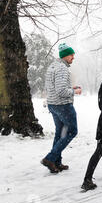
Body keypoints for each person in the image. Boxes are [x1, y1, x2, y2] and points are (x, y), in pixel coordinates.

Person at [41, 43, 82, 174]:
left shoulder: (52, 66)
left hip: (53, 105)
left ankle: (56, 163)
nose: (73, 57)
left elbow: (54, 88)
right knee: (72, 131)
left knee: (60, 133)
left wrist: (71, 89)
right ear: (65, 56)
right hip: (63, 106)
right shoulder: (62, 69)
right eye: (71, 55)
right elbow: (61, 91)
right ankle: (50, 158)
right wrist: (75, 92)